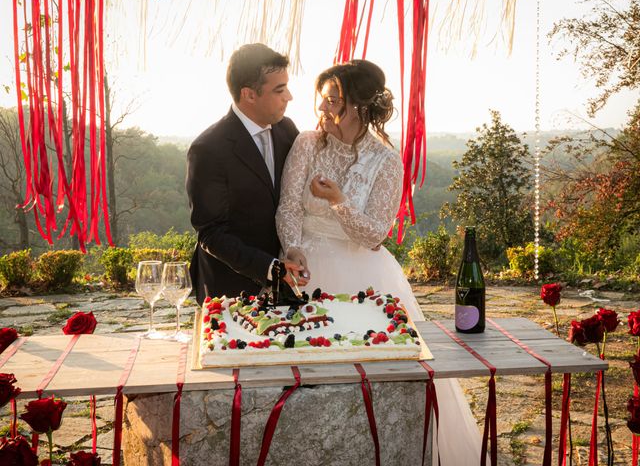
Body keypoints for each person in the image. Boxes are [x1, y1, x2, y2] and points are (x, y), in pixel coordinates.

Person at [275, 59, 484, 464]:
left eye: (333, 101)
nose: (323, 110)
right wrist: (292, 248)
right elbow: (288, 208)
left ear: (361, 106)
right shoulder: (305, 143)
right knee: (308, 382)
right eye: (322, 100)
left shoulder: (387, 161)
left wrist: (338, 202)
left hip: (365, 279)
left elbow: (374, 235)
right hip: (305, 274)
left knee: (375, 382)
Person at [186, 43, 306, 305]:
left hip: (286, 287)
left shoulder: (287, 130)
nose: (289, 97)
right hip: (229, 287)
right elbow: (211, 233)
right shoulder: (207, 149)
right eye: (279, 89)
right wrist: (271, 268)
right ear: (249, 95)